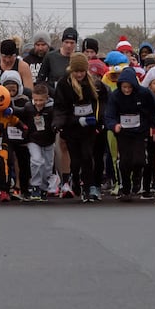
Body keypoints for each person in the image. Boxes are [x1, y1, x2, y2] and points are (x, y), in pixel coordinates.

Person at [53, 53, 103, 201]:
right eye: (76, 71)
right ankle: (74, 179)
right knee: (75, 160)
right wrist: (59, 123)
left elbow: (101, 103)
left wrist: (98, 120)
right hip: (71, 128)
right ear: (71, 70)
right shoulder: (64, 84)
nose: (79, 74)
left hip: (88, 128)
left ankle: (87, 188)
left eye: (82, 71)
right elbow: (60, 107)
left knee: (87, 156)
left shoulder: (94, 83)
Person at [103, 68, 155, 198]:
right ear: (120, 85)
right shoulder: (115, 96)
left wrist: (153, 126)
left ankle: (137, 179)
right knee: (124, 162)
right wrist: (114, 125)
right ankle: (126, 187)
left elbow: (154, 109)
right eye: (124, 87)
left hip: (140, 131)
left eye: (129, 87)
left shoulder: (144, 93)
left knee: (139, 160)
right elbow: (109, 115)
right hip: (123, 132)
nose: (127, 90)